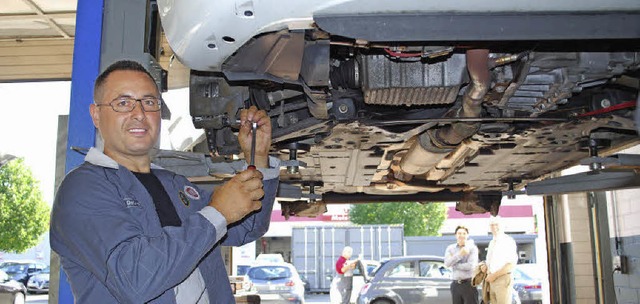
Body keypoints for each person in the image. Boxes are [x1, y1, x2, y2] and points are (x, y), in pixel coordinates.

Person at [50, 59, 280, 304]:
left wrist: (258, 158)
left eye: (149, 102)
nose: (139, 114)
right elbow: (137, 278)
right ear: (96, 115)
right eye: (123, 103)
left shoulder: (174, 184)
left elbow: (246, 228)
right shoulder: (83, 189)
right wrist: (217, 213)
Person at [481, 216, 518, 304]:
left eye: (496, 224)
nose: (494, 227)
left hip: (502, 279)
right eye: (492, 225)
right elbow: (491, 261)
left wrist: (494, 276)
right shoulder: (492, 242)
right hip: (491, 280)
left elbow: (510, 265)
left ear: (502, 226)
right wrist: (486, 266)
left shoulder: (508, 241)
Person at [444, 225, 479, 304]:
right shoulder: (450, 248)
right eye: (459, 233)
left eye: (464, 233)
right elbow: (447, 263)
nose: (462, 235)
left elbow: (470, 266)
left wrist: (454, 265)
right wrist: (460, 254)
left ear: (467, 235)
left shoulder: (472, 248)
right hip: (455, 284)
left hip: (469, 284)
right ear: (455, 235)